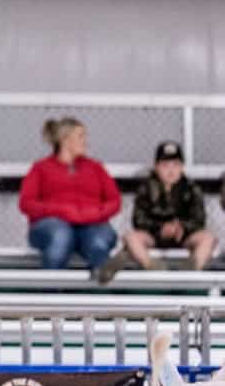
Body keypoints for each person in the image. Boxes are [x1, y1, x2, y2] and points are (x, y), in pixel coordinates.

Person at [98, 140, 216, 282]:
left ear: (181, 167)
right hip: (154, 236)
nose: (171, 170)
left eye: (176, 165)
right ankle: (153, 267)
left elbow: (199, 219)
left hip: (183, 236)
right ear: (156, 167)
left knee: (208, 238)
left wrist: (181, 227)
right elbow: (138, 220)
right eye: (165, 165)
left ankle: (190, 270)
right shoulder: (146, 188)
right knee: (131, 237)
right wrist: (160, 228)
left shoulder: (191, 188)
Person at [19, 117, 121, 271]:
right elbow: (26, 203)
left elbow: (114, 200)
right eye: (81, 136)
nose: (86, 141)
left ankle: (101, 288)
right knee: (61, 236)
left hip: (91, 223)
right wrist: (60, 211)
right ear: (65, 140)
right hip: (52, 224)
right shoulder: (41, 168)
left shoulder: (95, 167)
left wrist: (96, 213)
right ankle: (52, 290)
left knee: (98, 242)